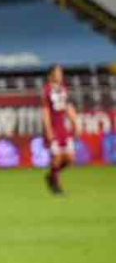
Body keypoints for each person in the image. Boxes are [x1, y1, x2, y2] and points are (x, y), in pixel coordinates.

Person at [41, 65, 79, 195]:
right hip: (54, 127)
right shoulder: (47, 90)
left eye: (61, 72)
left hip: (63, 127)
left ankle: (51, 176)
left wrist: (75, 123)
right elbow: (46, 111)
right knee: (57, 157)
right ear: (52, 75)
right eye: (57, 73)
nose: (60, 75)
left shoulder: (64, 90)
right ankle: (58, 187)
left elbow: (68, 107)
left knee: (70, 159)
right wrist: (49, 130)